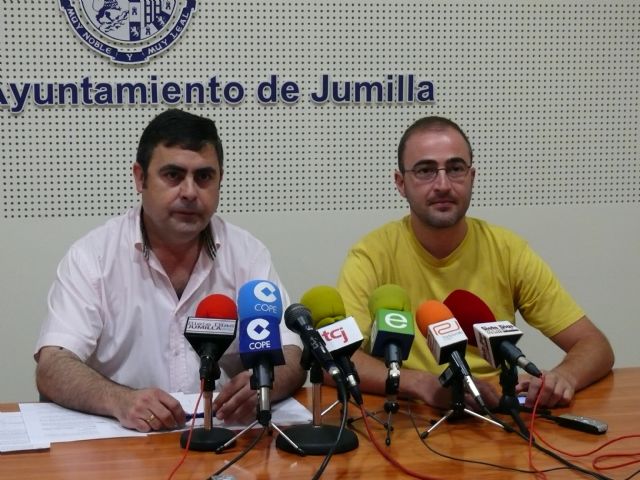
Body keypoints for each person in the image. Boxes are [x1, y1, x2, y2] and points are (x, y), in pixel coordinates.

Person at [34, 108, 306, 432]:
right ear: (139, 178)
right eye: (173, 175)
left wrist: (266, 384)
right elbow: (53, 366)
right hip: (122, 445)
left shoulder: (247, 254)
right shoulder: (92, 257)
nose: (190, 192)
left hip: (218, 439)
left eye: (204, 177)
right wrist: (119, 400)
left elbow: (291, 351)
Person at [337, 116, 614, 410]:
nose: (442, 184)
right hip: (407, 416)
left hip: (491, 411)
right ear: (401, 183)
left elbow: (595, 345)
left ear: (472, 177)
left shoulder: (508, 250)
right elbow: (338, 358)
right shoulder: (371, 255)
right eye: (425, 171)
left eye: (455, 169)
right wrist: (421, 384)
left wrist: (563, 377)